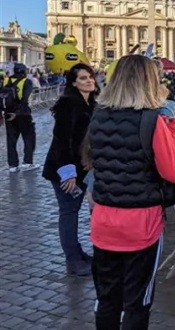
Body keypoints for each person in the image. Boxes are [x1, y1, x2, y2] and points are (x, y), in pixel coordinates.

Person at [85, 55, 175, 330]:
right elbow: (172, 172)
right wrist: (174, 128)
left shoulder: (98, 114)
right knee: (137, 303)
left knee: (107, 299)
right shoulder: (153, 120)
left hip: (104, 219)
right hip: (142, 223)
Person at [42, 63, 98, 276]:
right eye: (83, 78)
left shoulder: (90, 103)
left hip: (81, 168)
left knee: (73, 211)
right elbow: (62, 140)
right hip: (64, 169)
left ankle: (78, 253)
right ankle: (72, 260)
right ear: (74, 83)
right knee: (68, 212)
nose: (89, 81)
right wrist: (68, 173)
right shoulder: (68, 103)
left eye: (90, 77)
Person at [2, 63, 38, 172]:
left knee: (11, 140)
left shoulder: (6, 81)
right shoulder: (26, 82)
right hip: (23, 114)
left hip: (8, 113)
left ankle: (13, 165)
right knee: (28, 137)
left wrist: (3, 112)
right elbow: (24, 100)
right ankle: (27, 162)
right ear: (23, 72)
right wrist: (17, 113)